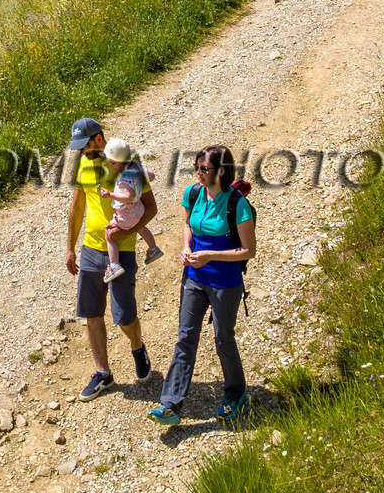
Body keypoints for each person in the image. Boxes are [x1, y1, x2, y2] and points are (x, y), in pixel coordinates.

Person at [149, 145, 256, 426]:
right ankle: (170, 404)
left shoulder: (238, 205)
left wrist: (209, 255)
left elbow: (248, 250)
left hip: (225, 283)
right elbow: (188, 224)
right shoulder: (193, 193)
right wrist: (186, 247)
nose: (198, 173)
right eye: (196, 167)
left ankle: (235, 394)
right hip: (194, 279)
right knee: (185, 338)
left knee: (223, 339)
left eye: (203, 168)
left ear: (221, 171)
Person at [66, 117, 157, 401]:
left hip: (123, 248)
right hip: (91, 248)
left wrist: (124, 229)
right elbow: (77, 206)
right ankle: (103, 373)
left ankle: (137, 345)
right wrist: (69, 247)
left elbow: (151, 208)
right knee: (92, 314)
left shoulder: (126, 162)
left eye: (85, 145)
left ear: (99, 139)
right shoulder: (82, 164)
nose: (81, 152)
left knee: (124, 317)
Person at [96, 137, 164, 282]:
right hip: (139, 209)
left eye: (113, 163)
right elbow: (151, 175)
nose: (112, 166)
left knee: (109, 235)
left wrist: (110, 195)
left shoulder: (124, 178)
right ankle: (153, 249)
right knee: (141, 227)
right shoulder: (136, 167)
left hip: (127, 213)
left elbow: (128, 196)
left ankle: (114, 265)